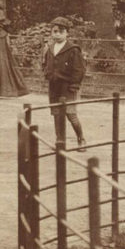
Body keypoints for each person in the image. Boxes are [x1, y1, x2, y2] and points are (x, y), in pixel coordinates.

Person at [43, 17, 87, 151]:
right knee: (56, 113)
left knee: (70, 113)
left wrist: (74, 85)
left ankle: (81, 139)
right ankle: (59, 141)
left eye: (60, 32)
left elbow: (79, 69)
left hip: (68, 86)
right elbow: (45, 63)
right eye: (54, 31)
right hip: (54, 86)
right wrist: (47, 73)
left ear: (67, 33)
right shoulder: (50, 48)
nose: (57, 34)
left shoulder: (73, 49)